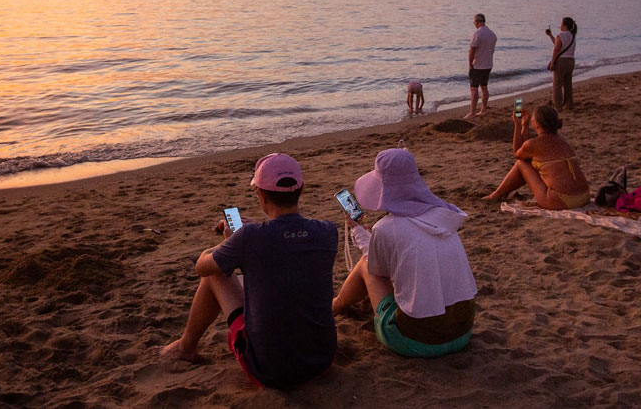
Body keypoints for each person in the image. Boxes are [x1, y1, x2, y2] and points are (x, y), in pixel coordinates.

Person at [161, 153, 338, 388]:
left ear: (261, 195)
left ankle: (186, 348)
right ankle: (185, 347)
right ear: (301, 189)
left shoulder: (250, 238)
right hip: (322, 360)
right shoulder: (327, 231)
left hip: (269, 370)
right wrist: (255, 233)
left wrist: (229, 244)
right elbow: (288, 249)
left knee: (215, 273)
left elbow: (201, 267)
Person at [332, 148, 478, 358]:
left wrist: (357, 230)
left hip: (415, 341)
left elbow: (376, 266)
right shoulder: (444, 217)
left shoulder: (386, 228)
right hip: (463, 333)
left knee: (366, 264)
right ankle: (340, 303)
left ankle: (336, 305)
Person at [484, 105, 590, 209]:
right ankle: (501, 193)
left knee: (521, 163)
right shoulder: (562, 141)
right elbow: (529, 151)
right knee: (528, 162)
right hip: (584, 196)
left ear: (537, 123)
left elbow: (518, 153)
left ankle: (496, 195)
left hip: (562, 200)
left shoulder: (534, 144)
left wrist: (517, 124)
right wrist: (525, 127)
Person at [465, 13, 496, 118]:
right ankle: (483, 109)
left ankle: (472, 112)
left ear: (477, 22)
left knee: (474, 89)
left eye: (474, 22)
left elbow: (471, 50)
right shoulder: (492, 34)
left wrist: (470, 65)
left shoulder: (477, 34)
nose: (474, 23)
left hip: (478, 65)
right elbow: (492, 50)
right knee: (484, 87)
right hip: (488, 64)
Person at [545, 17, 577, 111]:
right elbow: (558, 44)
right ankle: (569, 104)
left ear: (564, 25)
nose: (560, 25)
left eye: (561, 23)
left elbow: (556, 48)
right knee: (568, 83)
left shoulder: (561, 35)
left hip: (561, 62)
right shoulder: (572, 35)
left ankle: (558, 106)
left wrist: (553, 62)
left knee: (557, 85)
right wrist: (550, 35)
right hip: (571, 61)